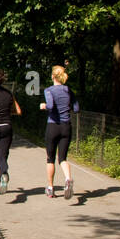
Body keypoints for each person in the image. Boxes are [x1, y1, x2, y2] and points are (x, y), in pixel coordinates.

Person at [39, 64, 79, 198]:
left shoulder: (49, 90)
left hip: (53, 126)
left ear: (52, 76)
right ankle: (68, 179)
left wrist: (44, 106)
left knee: (50, 158)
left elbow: (50, 105)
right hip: (66, 126)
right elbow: (77, 108)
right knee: (62, 158)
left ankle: (50, 188)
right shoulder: (68, 90)